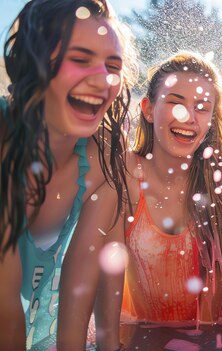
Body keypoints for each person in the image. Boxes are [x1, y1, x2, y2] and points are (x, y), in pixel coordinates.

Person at [57, 51, 222, 349]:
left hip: (204, 339)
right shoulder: (126, 175)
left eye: (202, 108)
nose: (188, 117)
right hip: (137, 338)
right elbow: (97, 263)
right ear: (148, 109)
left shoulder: (218, 179)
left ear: (210, 120)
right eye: (174, 102)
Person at [0, 0, 135, 350]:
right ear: (34, 62)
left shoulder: (102, 155)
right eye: (79, 59)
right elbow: (4, 316)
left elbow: (80, 285)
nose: (102, 79)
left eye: (113, 65)